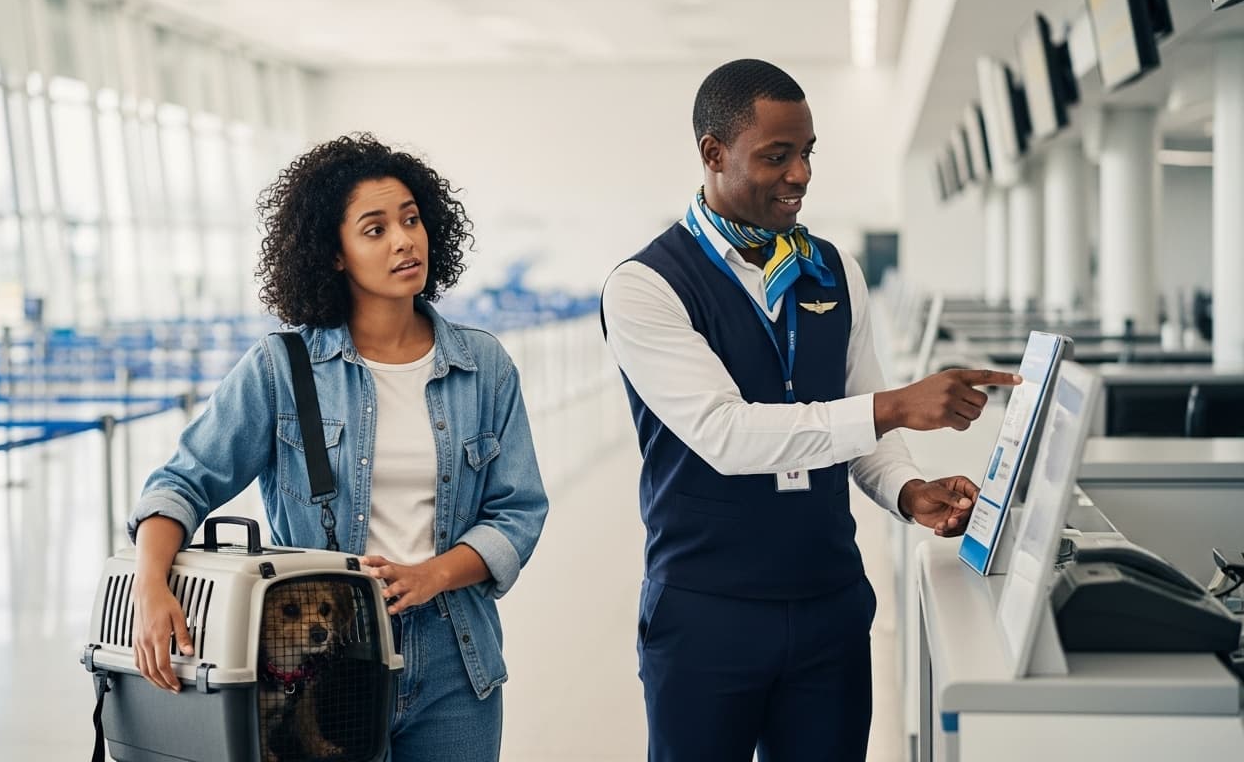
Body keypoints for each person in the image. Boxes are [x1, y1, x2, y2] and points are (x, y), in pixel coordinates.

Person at [600, 59, 1021, 761]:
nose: (800, 174)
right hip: (708, 614)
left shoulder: (833, 269)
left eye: (807, 153)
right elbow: (728, 435)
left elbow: (861, 423)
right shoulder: (646, 286)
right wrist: (892, 407)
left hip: (828, 604)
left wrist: (907, 490)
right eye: (777, 155)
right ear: (713, 154)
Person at [127, 133, 549, 762]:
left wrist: (433, 574)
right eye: (374, 229)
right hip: (321, 667)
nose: (404, 240)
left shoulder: (481, 365)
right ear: (334, 255)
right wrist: (150, 587)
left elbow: (518, 512)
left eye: (410, 219)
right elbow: (182, 483)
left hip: (457, 660)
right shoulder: (282, 368)